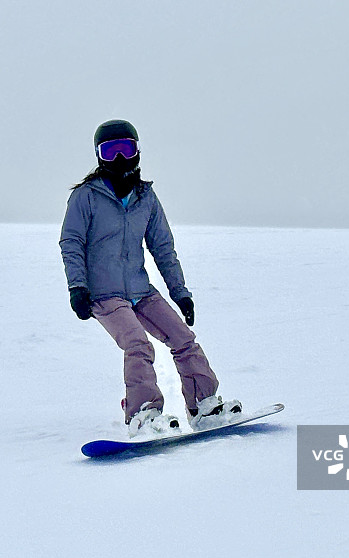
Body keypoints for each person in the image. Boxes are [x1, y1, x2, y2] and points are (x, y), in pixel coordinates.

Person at [59, 119, 241, 437]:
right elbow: (71, 242)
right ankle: (143, 415)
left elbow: (163, 247)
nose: (119, 159)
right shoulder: (86, 197)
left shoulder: (146, 197)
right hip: (104, 294)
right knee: (138, 345)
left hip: (141, 290)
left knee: (184, 340)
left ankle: (204, 406)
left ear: (137, 151)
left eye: (125, 149)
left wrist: (180, 292)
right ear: (99, 155)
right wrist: (77, 286)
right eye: (110, 151)